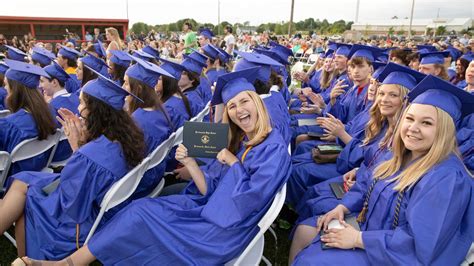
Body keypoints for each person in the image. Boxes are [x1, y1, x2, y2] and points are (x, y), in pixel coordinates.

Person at [25, 67, 291, 265]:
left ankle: (69, 263)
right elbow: (211, 191)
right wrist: (190, 162)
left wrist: (232, 162)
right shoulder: (249, 142)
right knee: (142, 208)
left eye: (244, 101)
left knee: (141, 214)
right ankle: (72, 262)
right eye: (231, 105)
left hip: (219, 233)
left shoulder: (273, 149)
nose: (237, 110)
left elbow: (243, 203)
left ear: (257, 102)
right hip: (212, 213)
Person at [290, 75, 474, 265]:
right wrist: (342, 207)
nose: (413, 128)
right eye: (409, 118)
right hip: (369, 229)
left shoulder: (447, 178)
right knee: (304, 231)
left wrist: (357, 239)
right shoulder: (402, 154)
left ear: (444, 130)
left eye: (426, 123)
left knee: (311, 261)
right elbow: (366, 182)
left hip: (394, 255)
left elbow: (420, 244)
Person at [3, 69, 145, 260]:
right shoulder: (123, 139)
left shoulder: (90, 157)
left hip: (79, 223)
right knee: (22, 180)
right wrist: (83, 144)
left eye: (82, 103)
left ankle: (26, 260)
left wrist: (76, 148)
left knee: (25, 195)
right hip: (100, 210)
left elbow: (72, 204)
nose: (78, 109)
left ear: (96, 110)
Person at [122, 55, 173, 198]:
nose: (122, 88)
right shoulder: (161, 110)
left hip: (136, 186)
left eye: (126, 83)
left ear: (137, 88)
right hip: (154, 178)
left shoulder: (137, 122)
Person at [0, 59, 56, 185]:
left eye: (6, 84)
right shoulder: (49, 113)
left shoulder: (8, 125)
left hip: (11, 180)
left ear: (15, 90)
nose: (5, 88)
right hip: (39, 173)